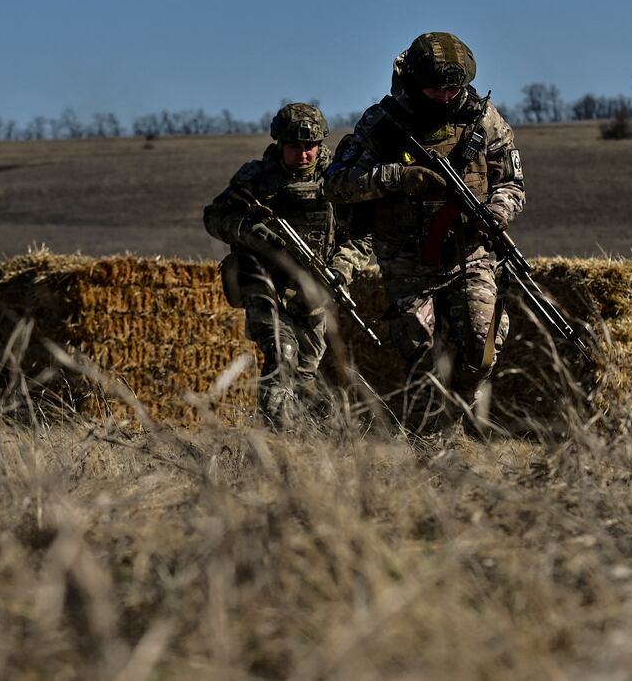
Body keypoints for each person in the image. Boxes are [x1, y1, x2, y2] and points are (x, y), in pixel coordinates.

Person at [322, 32, 524, 429]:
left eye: (454, 88)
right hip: (406, 257)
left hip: (469, 251)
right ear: (416, 82)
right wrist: (396, 177)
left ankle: (455, 419)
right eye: (436, 89)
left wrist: (496, 212)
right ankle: (428, 442)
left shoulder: (484, 120)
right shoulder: (382, 123)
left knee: (480, 350)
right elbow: (336, 182)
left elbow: (512, 184)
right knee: (420, 353)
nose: (447, 96)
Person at [203, 103, 371, 426]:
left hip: (312, 289)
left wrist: (340, 269)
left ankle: (317, 440)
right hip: (263, 284)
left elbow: (363, 239)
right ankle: (276, 443)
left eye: (310, 147)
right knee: (282, 356)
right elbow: (214, 216)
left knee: (305, 377)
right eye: (295, 147)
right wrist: (251, 233)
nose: (304, 154)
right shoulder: (258, 178)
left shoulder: (337, 180)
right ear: (279, 145)